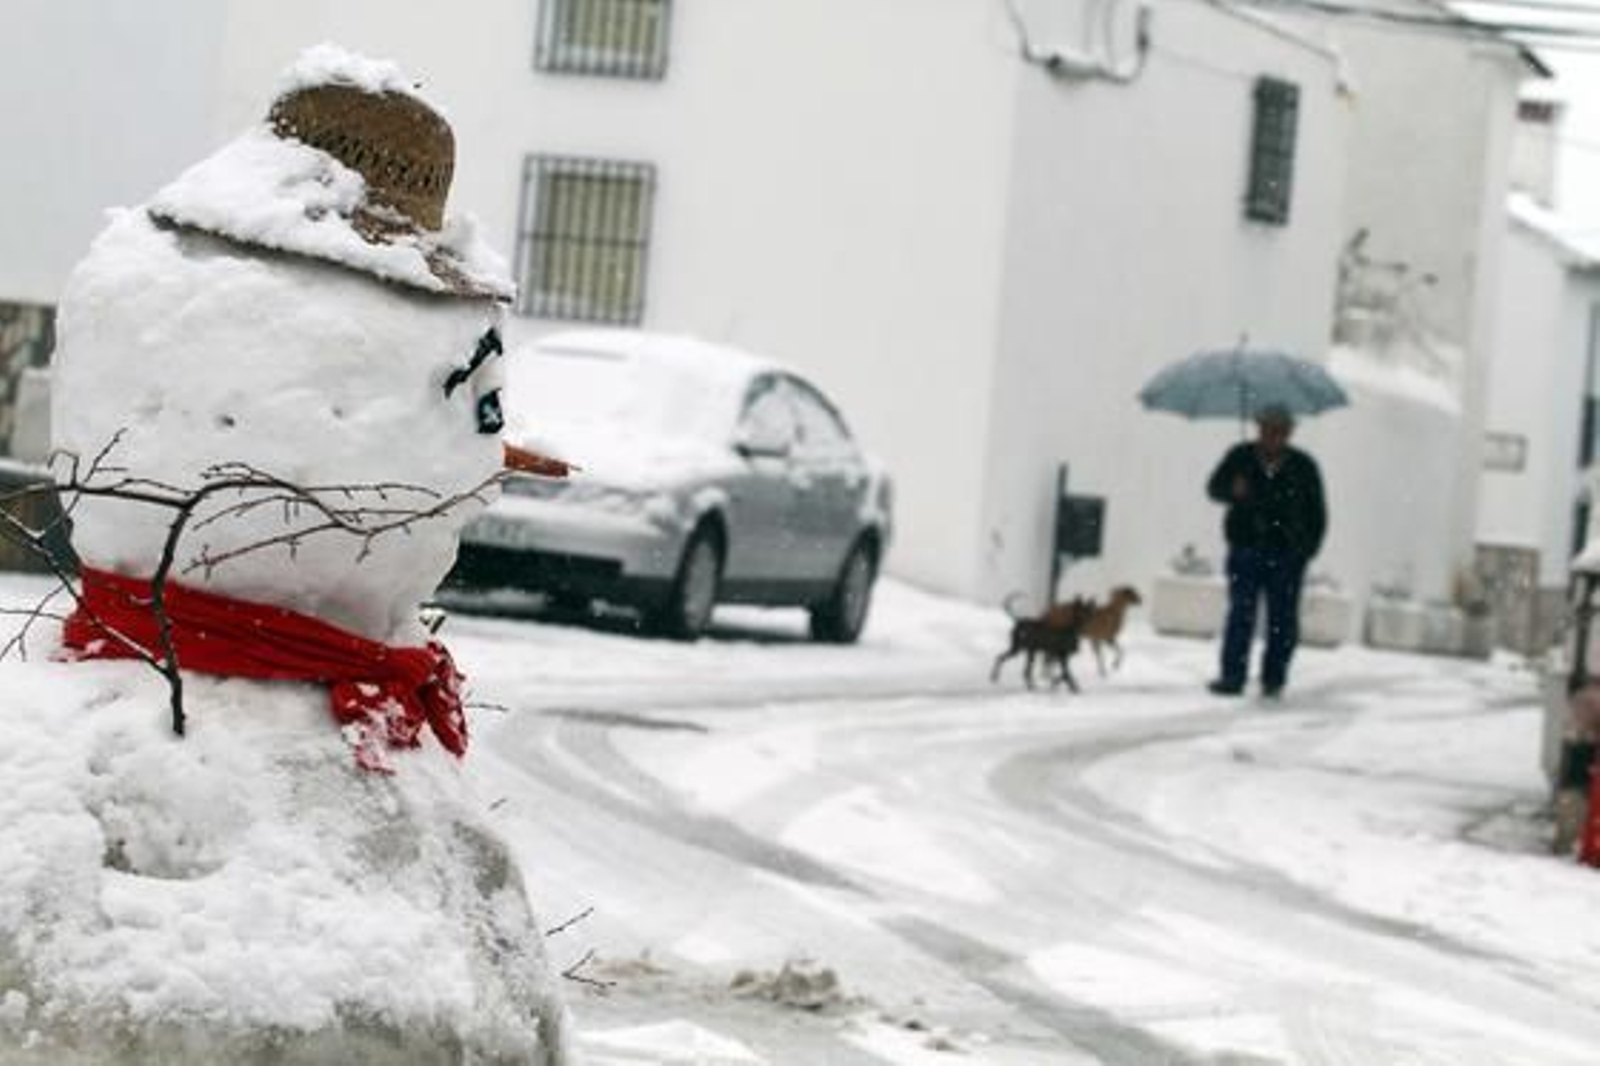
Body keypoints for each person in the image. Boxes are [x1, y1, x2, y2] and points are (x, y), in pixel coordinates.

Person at [1205, 404, 1327, 698]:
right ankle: (1232, 676)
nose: (1273, 436)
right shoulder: (1240, 457)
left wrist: (1306, 550)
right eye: (1268, 429)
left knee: (1282, 620)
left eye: (1280, 431)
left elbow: (1317, 513)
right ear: (1259, 429)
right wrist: (1232, 490)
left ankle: (1274, 677)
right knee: (1240, 614)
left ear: (1289, 433)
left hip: (1287, 554)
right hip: (1246, 548)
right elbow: (1214, 488)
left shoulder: (1303, 466)